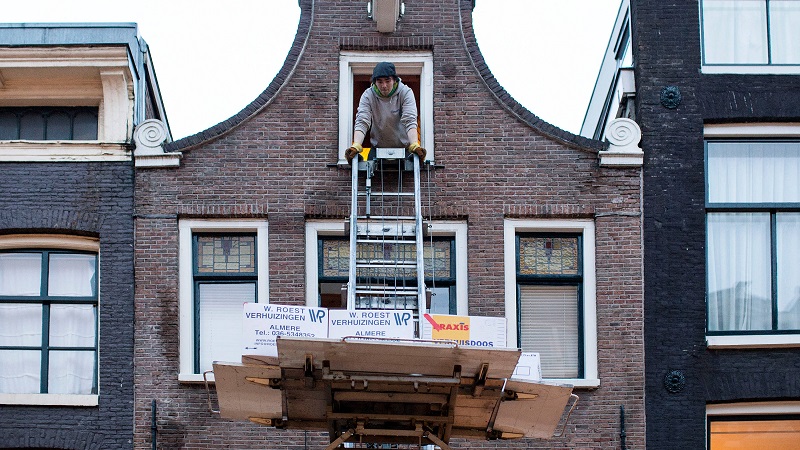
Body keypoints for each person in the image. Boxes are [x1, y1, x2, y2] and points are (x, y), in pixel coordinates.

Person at [345, 62, 426, 163]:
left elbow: (410, 120)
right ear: (374, 82)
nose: (384, 85)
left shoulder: (405, 92)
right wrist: (356, 145)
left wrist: (414, 144)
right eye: (380, 82)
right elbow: (362, 120)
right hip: (377, 148)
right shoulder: (368, 95)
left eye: (387, 81)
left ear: (394, 80)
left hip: (403, 148)